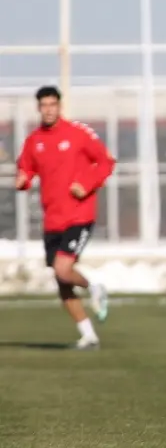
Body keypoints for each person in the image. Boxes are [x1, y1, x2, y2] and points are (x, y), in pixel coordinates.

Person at [15, 85, 115, 350]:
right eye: (44, 105)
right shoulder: (34, 141)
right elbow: (26, 167)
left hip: (79, 214)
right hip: (53, 219)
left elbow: (106, 162)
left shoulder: (78, 133)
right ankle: (89, 336)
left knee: (63, 269)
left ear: (59, 106)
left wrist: (87, 183)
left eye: (53, 105)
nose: (48, 110)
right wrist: (23, 179)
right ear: (39, 108)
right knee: (62, 281)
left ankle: (94, 287)